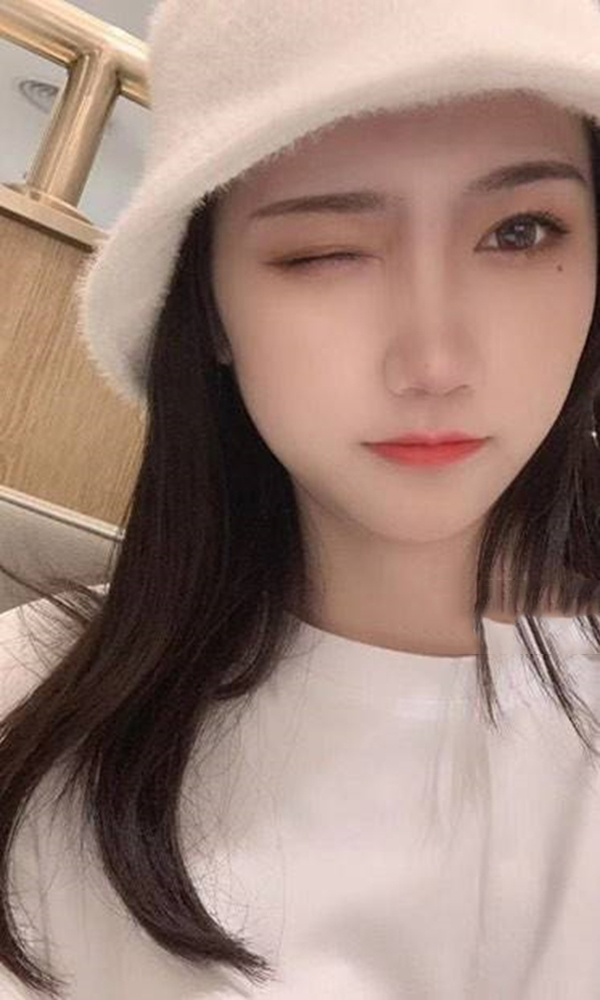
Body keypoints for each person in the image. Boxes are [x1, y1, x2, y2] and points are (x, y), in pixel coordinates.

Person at [2, 1, 600, 997]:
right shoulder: (29, 704)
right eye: (325, 250)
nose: (435, 361)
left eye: (520, 232)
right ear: (209, 308)